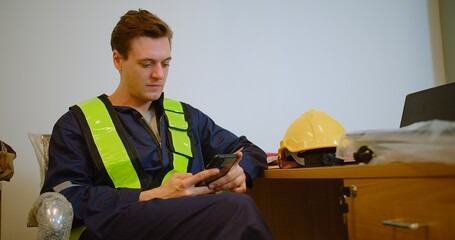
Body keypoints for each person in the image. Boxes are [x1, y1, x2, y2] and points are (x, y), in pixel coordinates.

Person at [40, 9, 272, 240]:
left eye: (165, 63)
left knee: (234, 208)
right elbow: (63, 197)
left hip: (185, 227)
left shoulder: (186, 116)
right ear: (118, 59)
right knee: (237, 208)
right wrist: (152, 196)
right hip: (114, 229)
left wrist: (241, 171)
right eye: (147, 64)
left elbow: (250, 150)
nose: (159, 75)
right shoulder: (76, 124)